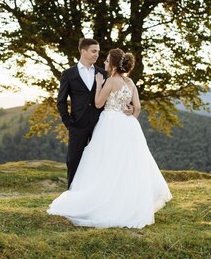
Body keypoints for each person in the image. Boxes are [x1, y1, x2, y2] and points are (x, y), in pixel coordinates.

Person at [48, 48, 172, 229]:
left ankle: (105, 201)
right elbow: (137, 109)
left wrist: (98, 84)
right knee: (126, 165)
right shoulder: (130, 82)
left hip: (110, 125)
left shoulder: (111, 81)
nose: (104, 63)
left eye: (106, 61)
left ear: (113, 65)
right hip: (129, 127)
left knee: (105, 162)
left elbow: (98, 103)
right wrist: (129, 112)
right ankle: (126, 202)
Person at [57, 38, 130, 188]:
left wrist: (129, 108)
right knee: (73, 160)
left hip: (100, 125)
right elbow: (61, 101)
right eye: (93, 51)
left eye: (98, 51)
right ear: (83, 51)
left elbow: (115, 94)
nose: (97, 54)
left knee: (99, 161)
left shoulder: (103, 74)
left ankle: (94, 194)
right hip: (77, 125)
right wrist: (69, 123)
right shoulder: (68, 74)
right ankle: (72, 195)